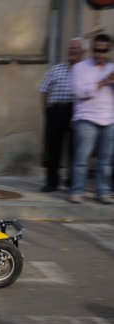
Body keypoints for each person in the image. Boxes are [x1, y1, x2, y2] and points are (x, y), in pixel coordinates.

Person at [68, 33, 114, 205]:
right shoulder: (80, 67)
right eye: (96, 50)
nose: (100, 54)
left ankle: (103, 191)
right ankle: (76, 190)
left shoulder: (112, 68)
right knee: (81, 159)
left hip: (109, 119)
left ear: (109, 51)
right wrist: (103, 82)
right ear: (92, 49)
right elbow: (79, 92)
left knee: (105, 160)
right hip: (86, 118)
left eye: (104, 50)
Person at [39, 38, 86, 192]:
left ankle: (72, 181)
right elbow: (44, 90)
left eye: (76, 48)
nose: (72, 51)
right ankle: (51, 182)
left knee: (74, 149)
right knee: (52, 149)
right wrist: (47, 110)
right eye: (70, 48)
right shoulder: (56, 68)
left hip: (76, 111)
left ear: (83, 52)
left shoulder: (86, 70)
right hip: (56, 111)